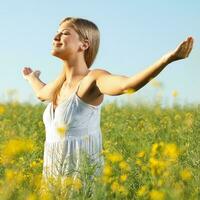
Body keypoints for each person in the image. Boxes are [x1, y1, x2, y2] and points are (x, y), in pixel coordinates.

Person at [22, 17, 194, 191]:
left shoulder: (93, 80)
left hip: (81, 185)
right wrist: (31, 78)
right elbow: (40, 93)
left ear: (84, 44)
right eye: (56, 33)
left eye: (65, 33)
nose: (56, 37)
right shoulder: (58, 87)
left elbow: (127, 85)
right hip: (52, 184)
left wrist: (166, 60)